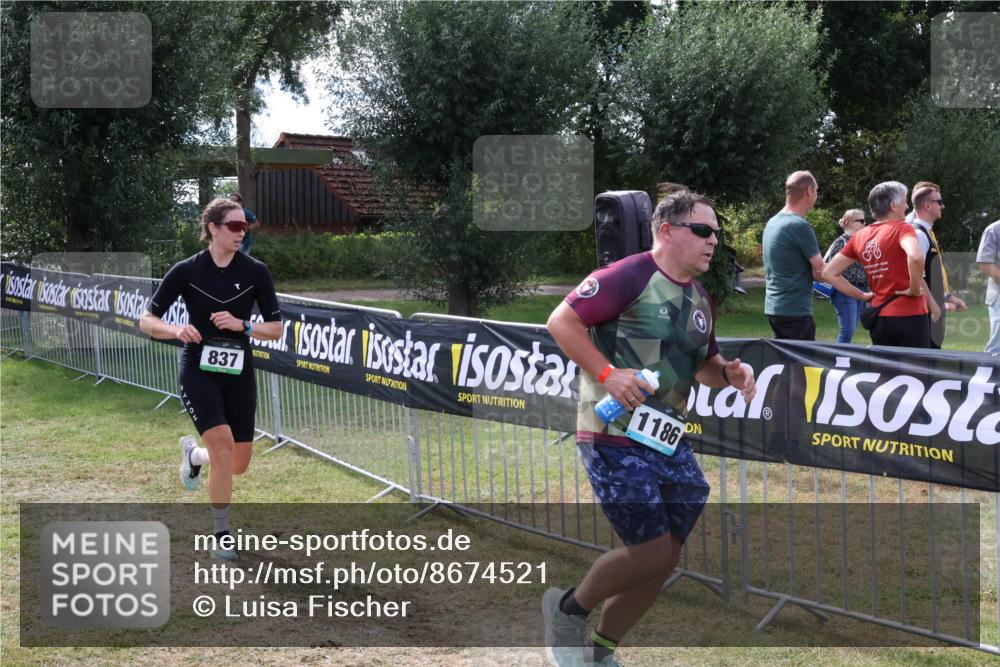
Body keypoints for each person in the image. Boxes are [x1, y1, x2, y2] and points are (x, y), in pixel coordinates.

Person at [544, 191, 756, 667]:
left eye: (716, 234)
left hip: (666, 438)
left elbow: (703, 365)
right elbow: (562, 321)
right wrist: (608, 374)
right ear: (667, 230)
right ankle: (567, 609)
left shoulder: (701, 298)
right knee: (650, 551)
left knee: (664, 560)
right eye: (703, 231)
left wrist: (730, 373)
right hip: (611, 432)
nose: (713, 242)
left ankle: (600, 653)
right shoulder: (629, 275)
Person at [139, 197, 283, 559]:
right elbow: (147, 320)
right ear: (213, 229)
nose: (241, 233)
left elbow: (276, 328)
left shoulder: (256, 272)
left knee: (237, 463)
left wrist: (244, 325)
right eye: (234, 226)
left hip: (238, 370)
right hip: (198, 368)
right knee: (222, 445)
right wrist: (175, 330)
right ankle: (222, 535)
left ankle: (193, 456)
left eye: (244, 227)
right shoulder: (187, 271)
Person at [821, 181, 929, 348]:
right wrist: (914, 288)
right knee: (916, 373)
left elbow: (828, 273)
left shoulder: (860, 236)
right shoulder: (902, 229)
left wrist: (862, 296)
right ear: (893, 205)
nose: (907, 205)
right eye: (905, 201)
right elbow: (915, 256)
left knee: (885, 372)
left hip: (879, 318)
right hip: (910, 315)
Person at [762, 171, 825, 340]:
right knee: (800, 365)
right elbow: (821, 272)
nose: (817, 195)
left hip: (775, 307)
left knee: (786, 362)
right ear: (809, 191)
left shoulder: (773, 222)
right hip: (795, 311)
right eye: (817, 191)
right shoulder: (799, 226)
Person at [908, 181, 966, 348]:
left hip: (934, 304)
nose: (943, 206)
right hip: (926, 308)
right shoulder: (918, 233)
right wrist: (933, 306)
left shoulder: (927, 232)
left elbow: (934, 273)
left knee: (934, 352)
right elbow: (917, 276)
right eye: (939, 202)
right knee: (927, 357)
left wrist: (948, 297)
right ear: (927, 205)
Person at [823, 209, 870, 343]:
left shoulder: (861, 241)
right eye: (861, 221)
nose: (865, 224)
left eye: (865, 221)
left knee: (851, 329)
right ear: (849, 223)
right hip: (844, 290)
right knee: (847, 331)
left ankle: (840, 359)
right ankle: (838, 361)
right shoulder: (840, 242)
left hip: (861, 289)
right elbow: (830, 269)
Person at [977, 218, 1000, 354]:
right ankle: (988, 374)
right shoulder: (994, 230)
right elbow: (986, 265)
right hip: (998, 297)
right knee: (997, 348)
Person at [230, 192, 263, 256]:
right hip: (232, 243)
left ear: (239, 202)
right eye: (230, 201)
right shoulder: (229, 213)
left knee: (242, 262)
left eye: (234, 201)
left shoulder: (246, 212)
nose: (232, 203)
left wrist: (246, 228)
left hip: (244, 243)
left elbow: (256, 223)